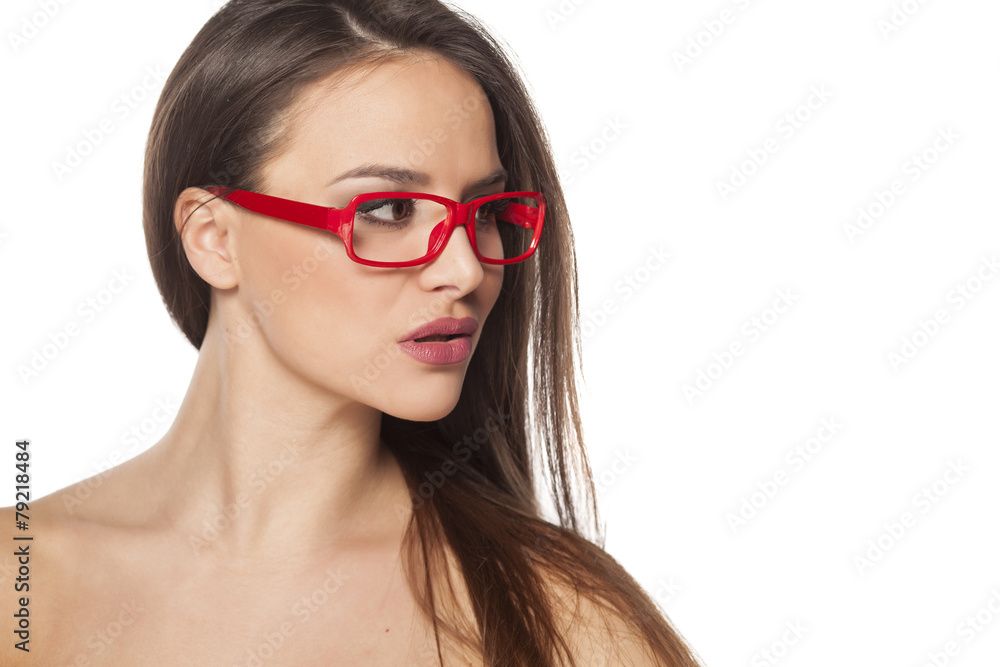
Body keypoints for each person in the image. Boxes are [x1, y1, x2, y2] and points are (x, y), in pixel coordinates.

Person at [2, 1, 702, 664]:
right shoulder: (21, 581)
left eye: (485, 209)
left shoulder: (564, 617)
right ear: (214, 237)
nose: (463, 267)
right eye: (392, 207)